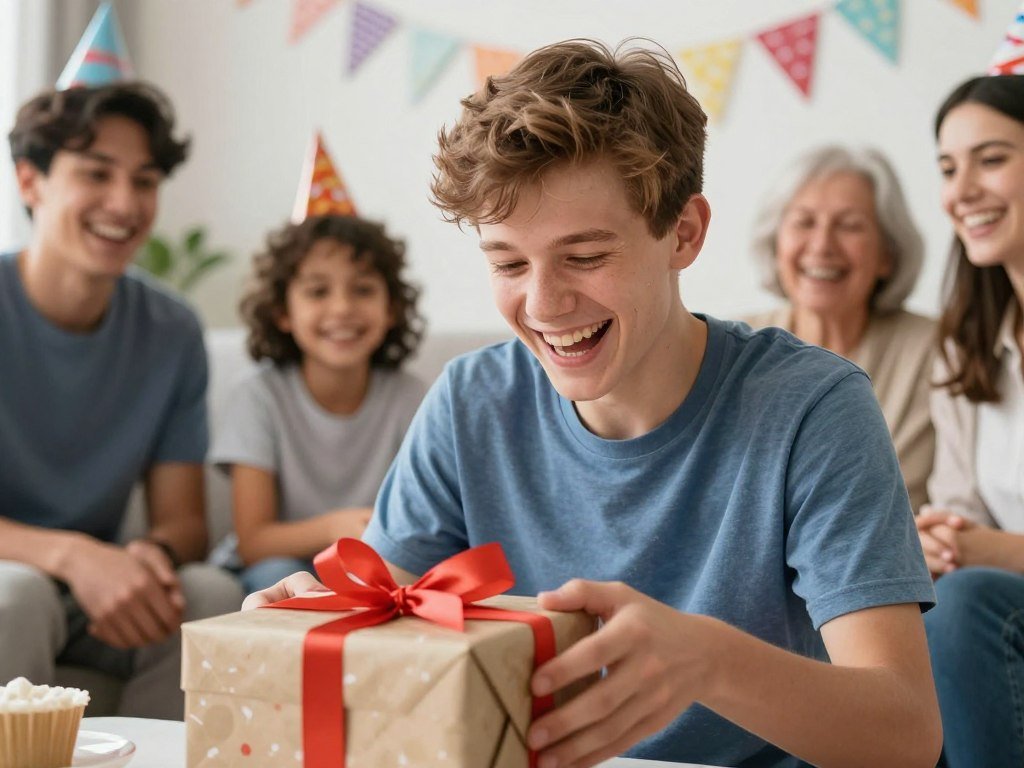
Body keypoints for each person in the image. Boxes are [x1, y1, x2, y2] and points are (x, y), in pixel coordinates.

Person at [245, 39, 941, 767]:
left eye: (585, 256)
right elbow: (382, 626)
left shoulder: (813, 407)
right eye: (509, 262)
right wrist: (313, 624)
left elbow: (905, 736)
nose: (544, 304)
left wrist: (707, 660)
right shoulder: (471, 402)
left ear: (684, 233)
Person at [0, 81, 243, 719]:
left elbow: (185, 522)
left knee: (208, 592)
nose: (124, 203)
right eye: (96, 174)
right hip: (17, 576)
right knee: (18, 595)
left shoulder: (171, 329)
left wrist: (150, 556)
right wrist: (73, 554)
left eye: (144, 180)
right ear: (31, 182)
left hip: (89, 592)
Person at [209, 214, 426, 594]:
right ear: (282, 312)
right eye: (317, 291)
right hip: (265, 575)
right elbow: (254, 541)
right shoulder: (258, 396)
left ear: (390, 308)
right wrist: (333, 529)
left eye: (362, 289)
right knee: (279, 574)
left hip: (368, 570)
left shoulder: (411, 397)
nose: (342, 308)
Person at [916, 72, 1024, 768]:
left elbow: (982, 559)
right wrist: (937, 540)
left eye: (991, 159)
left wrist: (985, 553)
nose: (960, 193)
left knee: (964, 605)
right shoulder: (966, 348)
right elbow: (961, 512)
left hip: (994, 604)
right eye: (949, 169)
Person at [746, 145, 935, 511]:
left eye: (849, 226)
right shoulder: (731, 347)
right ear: (775, 242)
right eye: (804, 222)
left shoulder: (938, 350)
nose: (821, 246)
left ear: (887, 254)